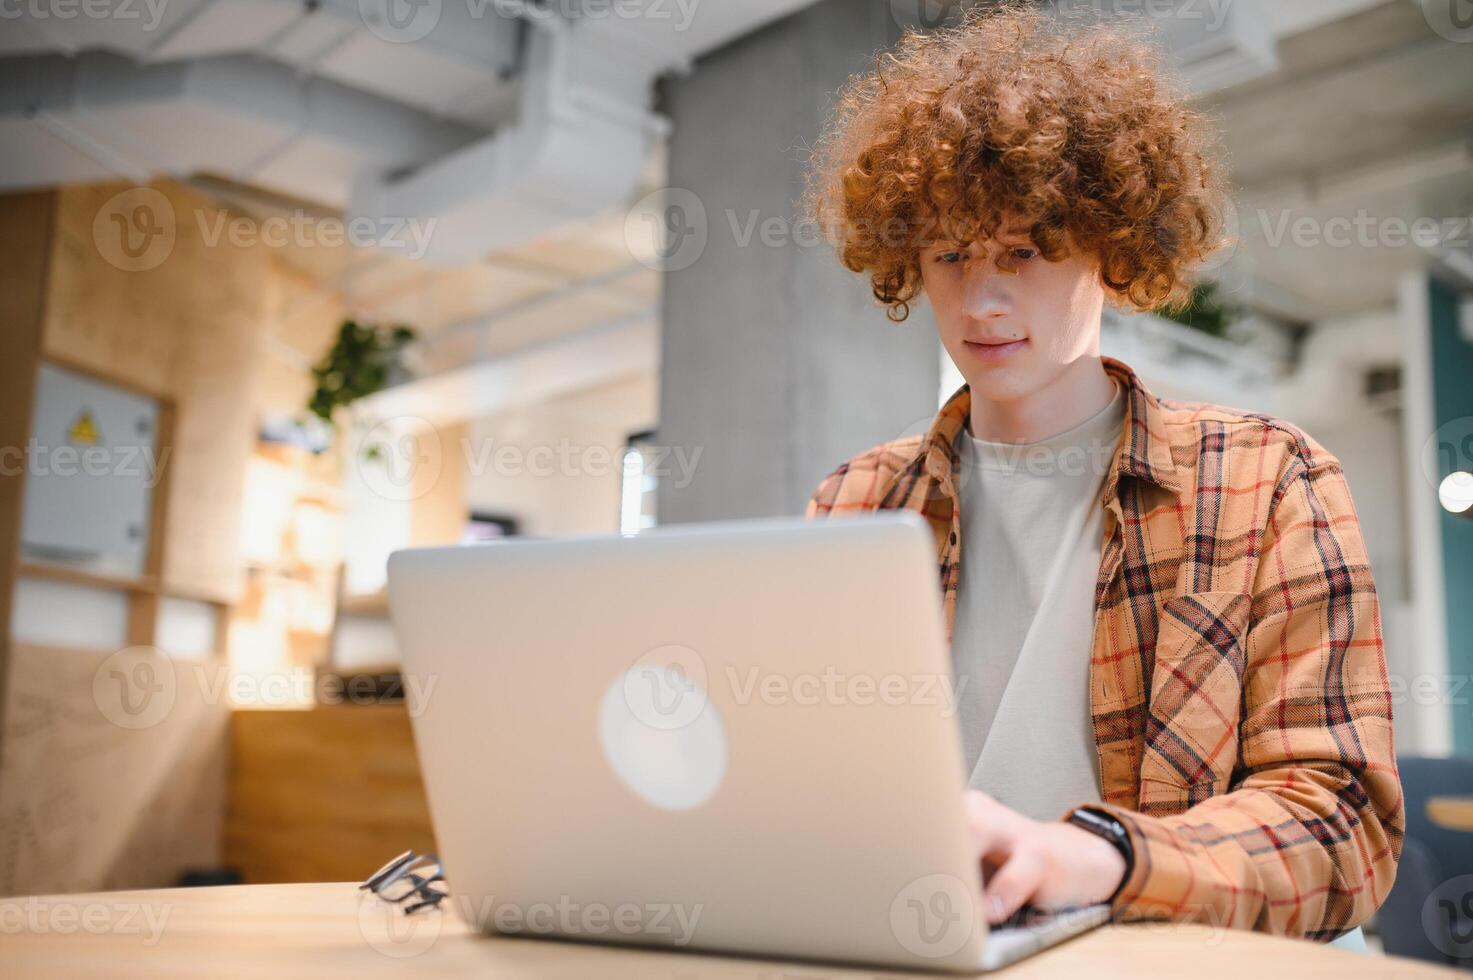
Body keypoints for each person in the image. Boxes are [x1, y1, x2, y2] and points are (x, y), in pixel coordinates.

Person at [801, 2, 1403, 942]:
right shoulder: (857, 502)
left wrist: (1105, 858)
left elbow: (1341, 820)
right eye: (950, 256)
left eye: (1025, 253)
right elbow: (813, 784)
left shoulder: (1264, 479)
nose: (982, 298)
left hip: (1176, 950)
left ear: (1112, 250)